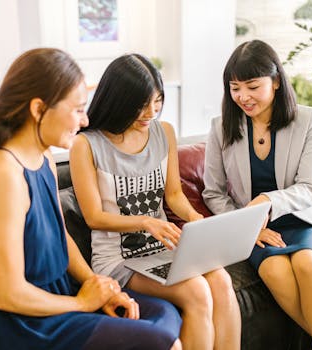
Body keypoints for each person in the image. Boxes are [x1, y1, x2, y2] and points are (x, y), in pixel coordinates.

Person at [0, 48, 183, 350]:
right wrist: (83, 304)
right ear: (38, 109)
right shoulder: (1, 173)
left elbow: (62, 238)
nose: (85, 120)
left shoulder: (43, 155)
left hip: (56, 300)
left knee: (162, 314)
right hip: (17, 323)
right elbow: (9, 294)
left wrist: (98, 286)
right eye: (77, 109)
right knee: (162, 339)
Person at [69, 53, 241, 350]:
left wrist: (196, 220)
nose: (151, 112)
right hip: (119, 258)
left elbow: (173, 195)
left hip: (166, 247)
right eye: (141, 104)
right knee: (198, 292)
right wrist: (145, 221)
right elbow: (94, 217)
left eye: (158, 101)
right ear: (118, 101)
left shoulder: (164, 133)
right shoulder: (86, 145)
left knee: (222, 281)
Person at [202, 40, 312, 350]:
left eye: (252, 86)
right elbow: (212, 193)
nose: (242, 97)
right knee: (277, 271)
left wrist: (268, 201)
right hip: (254, 230)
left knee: (308, 265)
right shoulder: (220, 128)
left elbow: (309, 187)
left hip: (305, 218)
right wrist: (247, 225)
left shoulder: (308, 120)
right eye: (235, 88)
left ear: (276, 81)